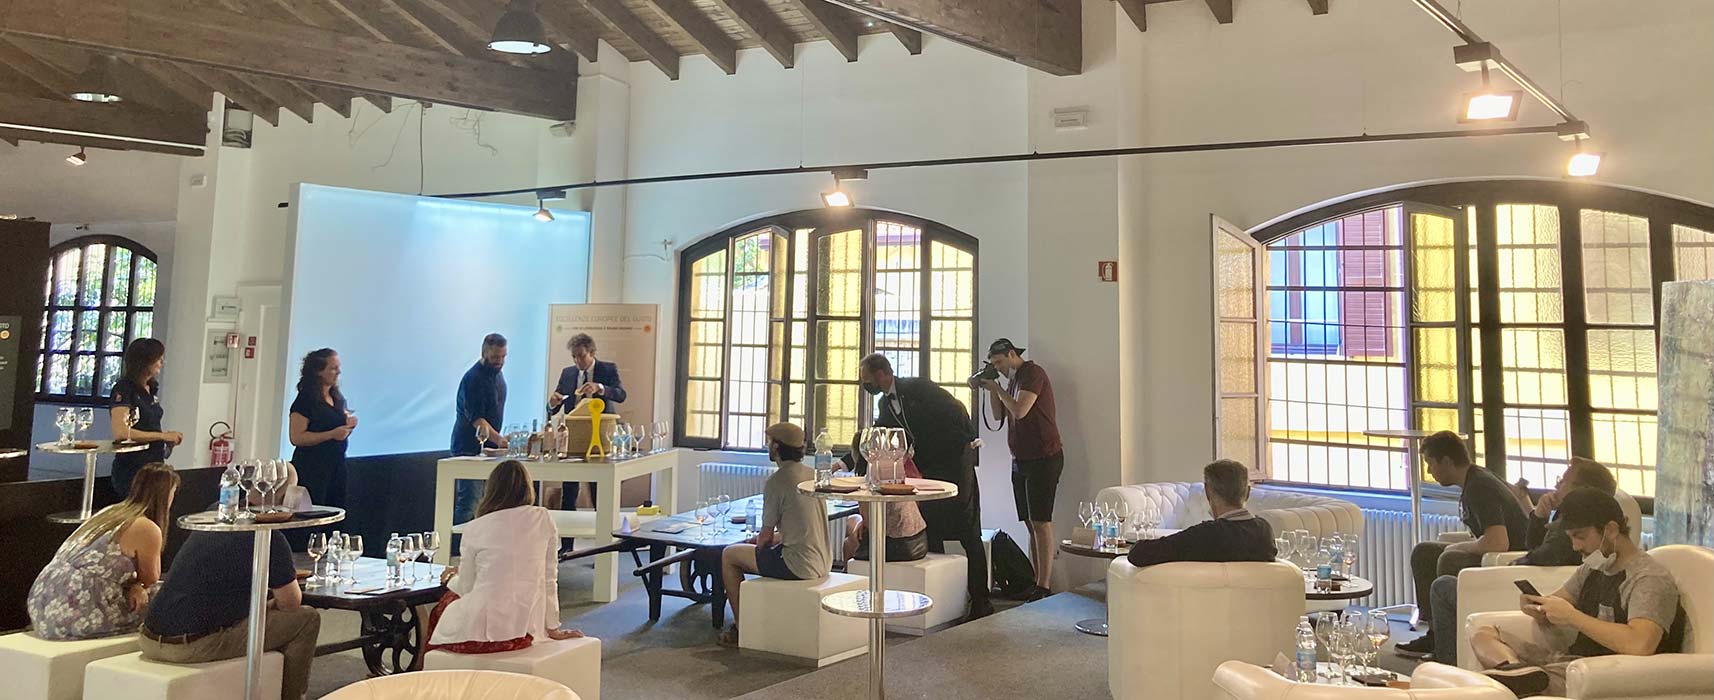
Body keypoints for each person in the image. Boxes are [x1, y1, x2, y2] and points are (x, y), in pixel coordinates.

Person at [1471, 488, 1683, 698]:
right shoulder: (1594, 566)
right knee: (1484, 634)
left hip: (1601, 675)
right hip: (1570, 661)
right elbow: (1559, 600)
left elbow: (1640, 643)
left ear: (1611, 529)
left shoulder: (1648, 578)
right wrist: (1539, 609)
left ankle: (1521, 679)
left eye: (1580, 536)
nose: (1575, 546)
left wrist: (1573, 617)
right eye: (1571, 537)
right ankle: (1517, 673)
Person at [1421, 457, 1619, 662]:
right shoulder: (1581, 553)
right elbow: (1535, 548)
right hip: (1537, 596)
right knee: (1482, 634)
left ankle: (1447, 661)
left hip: (1529, 587)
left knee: (1442, 586)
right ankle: (1509, 671)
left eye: (1562, 481)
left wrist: (1516, 564)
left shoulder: (1579, 529)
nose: (1556, 485)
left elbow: (1547, 555)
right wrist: (1539, 516)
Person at [859, 353, 994, 619]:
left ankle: (981, 599)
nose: (865, 384)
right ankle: (940, 601)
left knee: (968, 530)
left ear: (881, 374)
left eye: (866, 379)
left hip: (955, 464)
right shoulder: (886, 404)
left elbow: (956, 408)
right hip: (928, 469)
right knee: (930, 527)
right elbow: (877, 437)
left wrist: (965, 441)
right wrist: (848, 461)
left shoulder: (919, 387)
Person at [139, 531, 320, 700]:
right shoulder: (267, 536)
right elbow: (290, 603)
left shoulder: (211, 524)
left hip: (148, 639)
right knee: (307, 619)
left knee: (266, 618)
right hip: (190, 646)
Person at [1395, 430, 1529, 657]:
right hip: (1496, 553)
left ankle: (1448, 642)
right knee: (1424, 552)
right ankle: (1435, 633)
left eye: (1430, 463)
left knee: (1450, 557)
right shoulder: (1477, 477)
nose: (1429, 471)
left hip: (1510, 561)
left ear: (1447, 461)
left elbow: (1498, 542)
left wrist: (1459, 547)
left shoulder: (1480, 487)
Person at [427, 460, 583, 653]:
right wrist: (553, 627)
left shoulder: (475, 527)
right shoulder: (543, 518)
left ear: (491, 489)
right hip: (527, 629)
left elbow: (467, 588)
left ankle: (422, 670)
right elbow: (549, 579)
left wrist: (451, 578)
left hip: (483, 631)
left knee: (442, 607)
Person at [28, 462, 178, 640]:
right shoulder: (147, 528)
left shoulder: (110, 512)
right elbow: (150, 578)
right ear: (166, 494)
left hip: (44, 599)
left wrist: (134, 584)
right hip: (78, 607)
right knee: (167, 597)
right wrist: (137, 585)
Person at [717, 423, 831, 647]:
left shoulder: (777, 481)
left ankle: (741, 627)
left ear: (776, 447)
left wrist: (756, 547)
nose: (767, 446)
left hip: (798, 565)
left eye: (769, 442)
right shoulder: (812, 474)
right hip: (823, 560)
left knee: (729, 555)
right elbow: (800, 528)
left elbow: (766, 537)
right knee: (748, 552)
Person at [979, 338, 1061, 600]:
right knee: (1029, 523)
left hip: (1044, 457)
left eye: (1000, 362)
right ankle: (1037, 581)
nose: (998, 368)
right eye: (993, 364)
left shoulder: (1032, 373)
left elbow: (1020, 410)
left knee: (1041, 522)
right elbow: (997, 416)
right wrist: (991, 388)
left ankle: (1044, 585)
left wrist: (997, 387)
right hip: (1021, 459)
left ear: (1012, 354)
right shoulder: (1012, 381)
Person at [1125, 459, 1276, 567]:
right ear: (1248, 492)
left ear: (1208, 492)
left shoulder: (1206, 534)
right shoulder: (1265, 532)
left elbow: (1138, 554)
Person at [545, 333, 626, 511]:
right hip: (573, 437)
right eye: (574, 357)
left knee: (598, 489)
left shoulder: (607, 369)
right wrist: (552, 403)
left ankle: (602, 525)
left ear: (592, 352)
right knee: (569, 489)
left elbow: (621, 395)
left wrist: (600, 388)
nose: (577, 361)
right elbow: (554, 408)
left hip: (600, 435)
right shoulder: (568, 373)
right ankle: (567, 527)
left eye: (581, 356)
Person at [108, 338, 184, 497]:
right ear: (144, 361)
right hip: (133, 466)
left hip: (154, 463)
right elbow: (121, 432)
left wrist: (166, 442)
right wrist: (161, 436)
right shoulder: (124, 389)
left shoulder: (151, 388)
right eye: (158, 359)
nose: (161, 363)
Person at [841, 431, 929, 563]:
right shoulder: (893, 472)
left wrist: (862, 524)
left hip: (893, 545)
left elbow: (870, 523)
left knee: (849, 541)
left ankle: (850, 572)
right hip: (918, 541)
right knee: (853, 522)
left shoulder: (869, 480)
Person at [451, 334, 509, 522]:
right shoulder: (473, 378)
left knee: (486, 505)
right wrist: (501, 440)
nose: (500, 362)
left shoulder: (498, 376)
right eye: (495, 357)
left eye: (503, 357)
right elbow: (478, 421)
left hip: (488, 451)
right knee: (469, 503)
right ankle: (460, 541)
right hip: (468, 449)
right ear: (484, 353)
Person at [288, 348, 356, 508]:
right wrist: (331, 434)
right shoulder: (305, 401)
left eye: (338, 368)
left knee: (336, 510)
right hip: (312, 468)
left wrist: (348, 424)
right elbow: (296, 437)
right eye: (333, 368)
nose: (338, 372)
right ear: (318, 371)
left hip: (336, 465)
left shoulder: (336, 397)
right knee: (314, 510)